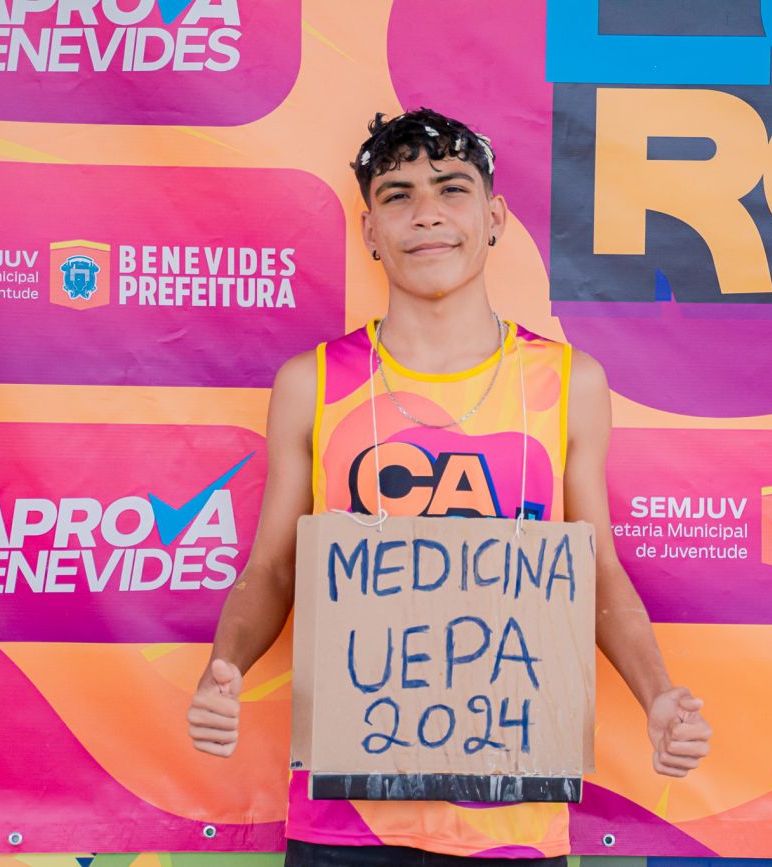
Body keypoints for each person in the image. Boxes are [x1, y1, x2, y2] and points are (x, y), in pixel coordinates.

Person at [186, 108, 712, 866]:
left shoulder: (568, 383)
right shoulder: (312, 383)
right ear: (370, 231)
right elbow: (272, 567)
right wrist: (225, 667)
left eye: (451, 188)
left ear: (493, 218)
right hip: (347, 816)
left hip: (512, 814)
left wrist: (657, 692)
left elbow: (594, 567)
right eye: (397, 195)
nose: (426, 213)